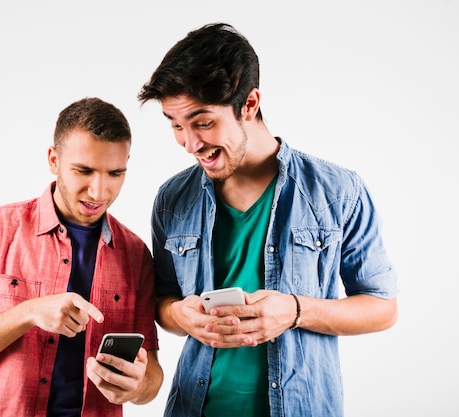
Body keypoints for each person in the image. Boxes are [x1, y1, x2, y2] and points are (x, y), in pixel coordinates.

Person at [137, 23, 398, 417]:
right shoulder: (172, 200)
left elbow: (382, 307)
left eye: (203, 122)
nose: (190, 144)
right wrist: (179, 315)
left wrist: (295, 310)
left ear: (249, 104)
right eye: (176, 125)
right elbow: (162, 301)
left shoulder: (337, 191)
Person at [0, 97, 163, 417]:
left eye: (114, 173)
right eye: (83, 170)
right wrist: (28, 312)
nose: (99, 191)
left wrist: (138, 386)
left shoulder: (136, 255)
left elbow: (152, 376)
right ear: (53, 160)